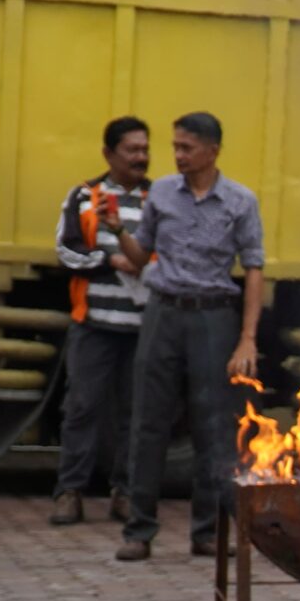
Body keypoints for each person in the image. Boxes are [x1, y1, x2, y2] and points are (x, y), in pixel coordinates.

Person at [115, 110, 264, 562]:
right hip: (164, 313)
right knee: (148, 422)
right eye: (175, 146)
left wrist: (247, 338)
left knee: (214, 427)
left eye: (187, 148)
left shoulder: (241, 201)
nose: (177, 155)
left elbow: (254, 270)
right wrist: (115, 232)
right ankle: (138, 530)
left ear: (212, 150)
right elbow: (141, 256)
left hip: (213, 318)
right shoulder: (160, 192)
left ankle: (208, 531)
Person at [50, 115, 151, 526]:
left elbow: (173, 252)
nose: (141, 157)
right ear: (109, 153)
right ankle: (69, 492)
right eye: (132, 150)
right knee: (82, 407)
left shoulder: (160, 199)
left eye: (145, 149)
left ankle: (124, 495)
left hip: (144, 326)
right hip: (93, 323)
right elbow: (66, 250)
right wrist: (110, 261)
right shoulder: (84, 197)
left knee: (135, 414)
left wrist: (145, 264)